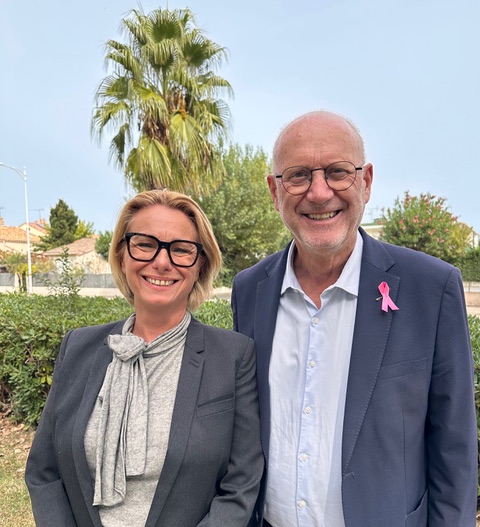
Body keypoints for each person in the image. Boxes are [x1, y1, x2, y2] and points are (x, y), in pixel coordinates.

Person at [231, 110, 477, 527]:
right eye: (298, 176)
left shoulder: (431, 288)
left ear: (366, 182)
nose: (319, 192)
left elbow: (455, 449)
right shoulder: (250, 289)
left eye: (338, 172)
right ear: (275, 190)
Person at [26, 189, 263, 527]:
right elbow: (44, 472)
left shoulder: (233, 356)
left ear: (200, 265)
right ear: (122, 256)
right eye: (145, 244)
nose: (162, 262)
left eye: (181, 249)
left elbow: (240, 485)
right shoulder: (77, 347)